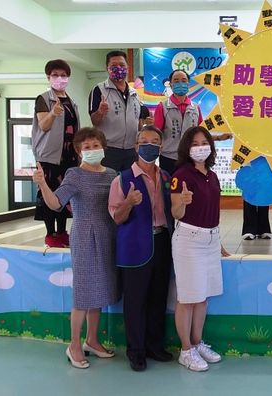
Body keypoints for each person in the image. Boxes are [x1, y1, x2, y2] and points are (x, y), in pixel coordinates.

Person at [32, 127, 118, 369]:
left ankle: (92, 340)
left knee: (100, 290)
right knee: (83, 293)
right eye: (86, 147)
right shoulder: (75, 174)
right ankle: (74, 345)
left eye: (95, 145)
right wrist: (42, 184)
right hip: (84, 236)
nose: (91, 150)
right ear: (79, 151)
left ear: (103, 147)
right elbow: (55, 204)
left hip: (107, 235)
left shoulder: (112, 174)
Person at [108, 125, 174, 371]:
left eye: (154, 141)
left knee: (158, 296)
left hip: (162, 242)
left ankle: (155, 346)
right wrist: (128, 203)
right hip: (135, 246)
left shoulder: (166, 177)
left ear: (161, 146)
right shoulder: (122, 179)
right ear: (136, 147)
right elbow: (117, 218)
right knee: (135, 300)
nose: (149, 145)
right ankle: (135, 351)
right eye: (144, 141)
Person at [170, 126, 230, 372]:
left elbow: (212, 211)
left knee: (203, 298)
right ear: (187, 148)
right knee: (188, 298)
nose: (200, 147)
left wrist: (218, 241)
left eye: (204, 142)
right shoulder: (181, 174)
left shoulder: (212, 175)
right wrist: (182, 203)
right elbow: (175, 213)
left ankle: (196, 342)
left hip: (210, 239)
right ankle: (185, 350)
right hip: (188, 240)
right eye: (195, 143)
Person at [31, 59, 80, 248]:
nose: (60, 78)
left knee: (65, 194)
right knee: (48, 194)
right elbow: (43, 125)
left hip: (69, 155)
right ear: (48, 77)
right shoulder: (43, 99)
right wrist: (53, 113)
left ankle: (62, 232)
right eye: (55, 75)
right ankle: (51, 234)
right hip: (49, 156)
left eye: (63, 75)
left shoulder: (71, 101)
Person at [89, 50, 142, 171]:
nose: (119, 68)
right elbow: (94, 121)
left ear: (127, 68)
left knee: (130, 186)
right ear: (107, 68)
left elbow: (137, 120)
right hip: (109, 150)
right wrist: (100, 112)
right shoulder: (99, 90)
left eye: (122, 65)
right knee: (107, 186)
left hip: (131, 150)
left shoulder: (134, 93)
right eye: (114, 66)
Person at [153, 69, 203, 174]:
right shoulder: (162, 107)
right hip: (168, 158)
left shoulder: (196, 108)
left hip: (191, 157)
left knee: (190, 188)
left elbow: (201, 133)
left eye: (184, 80)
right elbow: (156, 133)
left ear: (188, 84)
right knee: (169, 188)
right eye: (176, 81)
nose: (180, 83)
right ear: (170, 85)